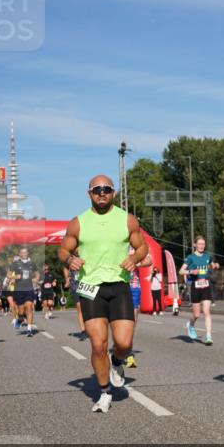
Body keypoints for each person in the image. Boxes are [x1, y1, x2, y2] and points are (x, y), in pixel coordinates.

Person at [58, 175, 148, 413]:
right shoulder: (78, 222)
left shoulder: (127, 220)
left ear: (113, 193)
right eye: (96, 189)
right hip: (90, 288)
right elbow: (63, 249)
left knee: (124, 343)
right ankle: (104, 392)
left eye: (106, 189)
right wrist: (70, 259)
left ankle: (117, 362)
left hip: (119, 285)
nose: (101, 193)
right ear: (89, 193)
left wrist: (134, 259)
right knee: (98, 345)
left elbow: (142, 247)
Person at [179, 236, 219, 345]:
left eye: (203, 244)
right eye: (199, 244)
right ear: (195, 245)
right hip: (195, 287)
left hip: (206, 286)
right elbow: (181, 271)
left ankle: (209, 336)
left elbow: (211, 265)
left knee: (207, 311)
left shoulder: (207, 256)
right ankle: (191, 325)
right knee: (196, 315)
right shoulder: (190, 258)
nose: (201, 246)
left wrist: (215, 266)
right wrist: (191, 271)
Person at [125, 246, 153, 368]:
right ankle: (122, 347)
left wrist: (137, 264)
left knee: (133, 321)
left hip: (134, 286)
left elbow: (149, 260)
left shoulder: (134, 245)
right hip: (117, 287)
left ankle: (128, 351)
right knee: (119, 321)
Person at [11, 247, 39, 338]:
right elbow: (8, 274)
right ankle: (20, 319)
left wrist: (36, 279)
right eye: (22, 252)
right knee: (21, 311)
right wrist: (15, 277)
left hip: (29, 289)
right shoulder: (15, 264)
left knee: (29, 308)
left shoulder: (32, 264)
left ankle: (29, 329)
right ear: (20, 254)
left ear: (28, 254)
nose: (24, 254)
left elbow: (37, 273)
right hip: (19, 290)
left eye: (26, 252)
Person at [64, 263, 87, 340]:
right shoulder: (71, 257)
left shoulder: (86, 253)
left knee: (89, 308)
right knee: (79, 307)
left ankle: (91, 329)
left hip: (87, 285)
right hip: (75, 286)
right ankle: (83, 331)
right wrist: (67, 279)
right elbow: (65, 266)